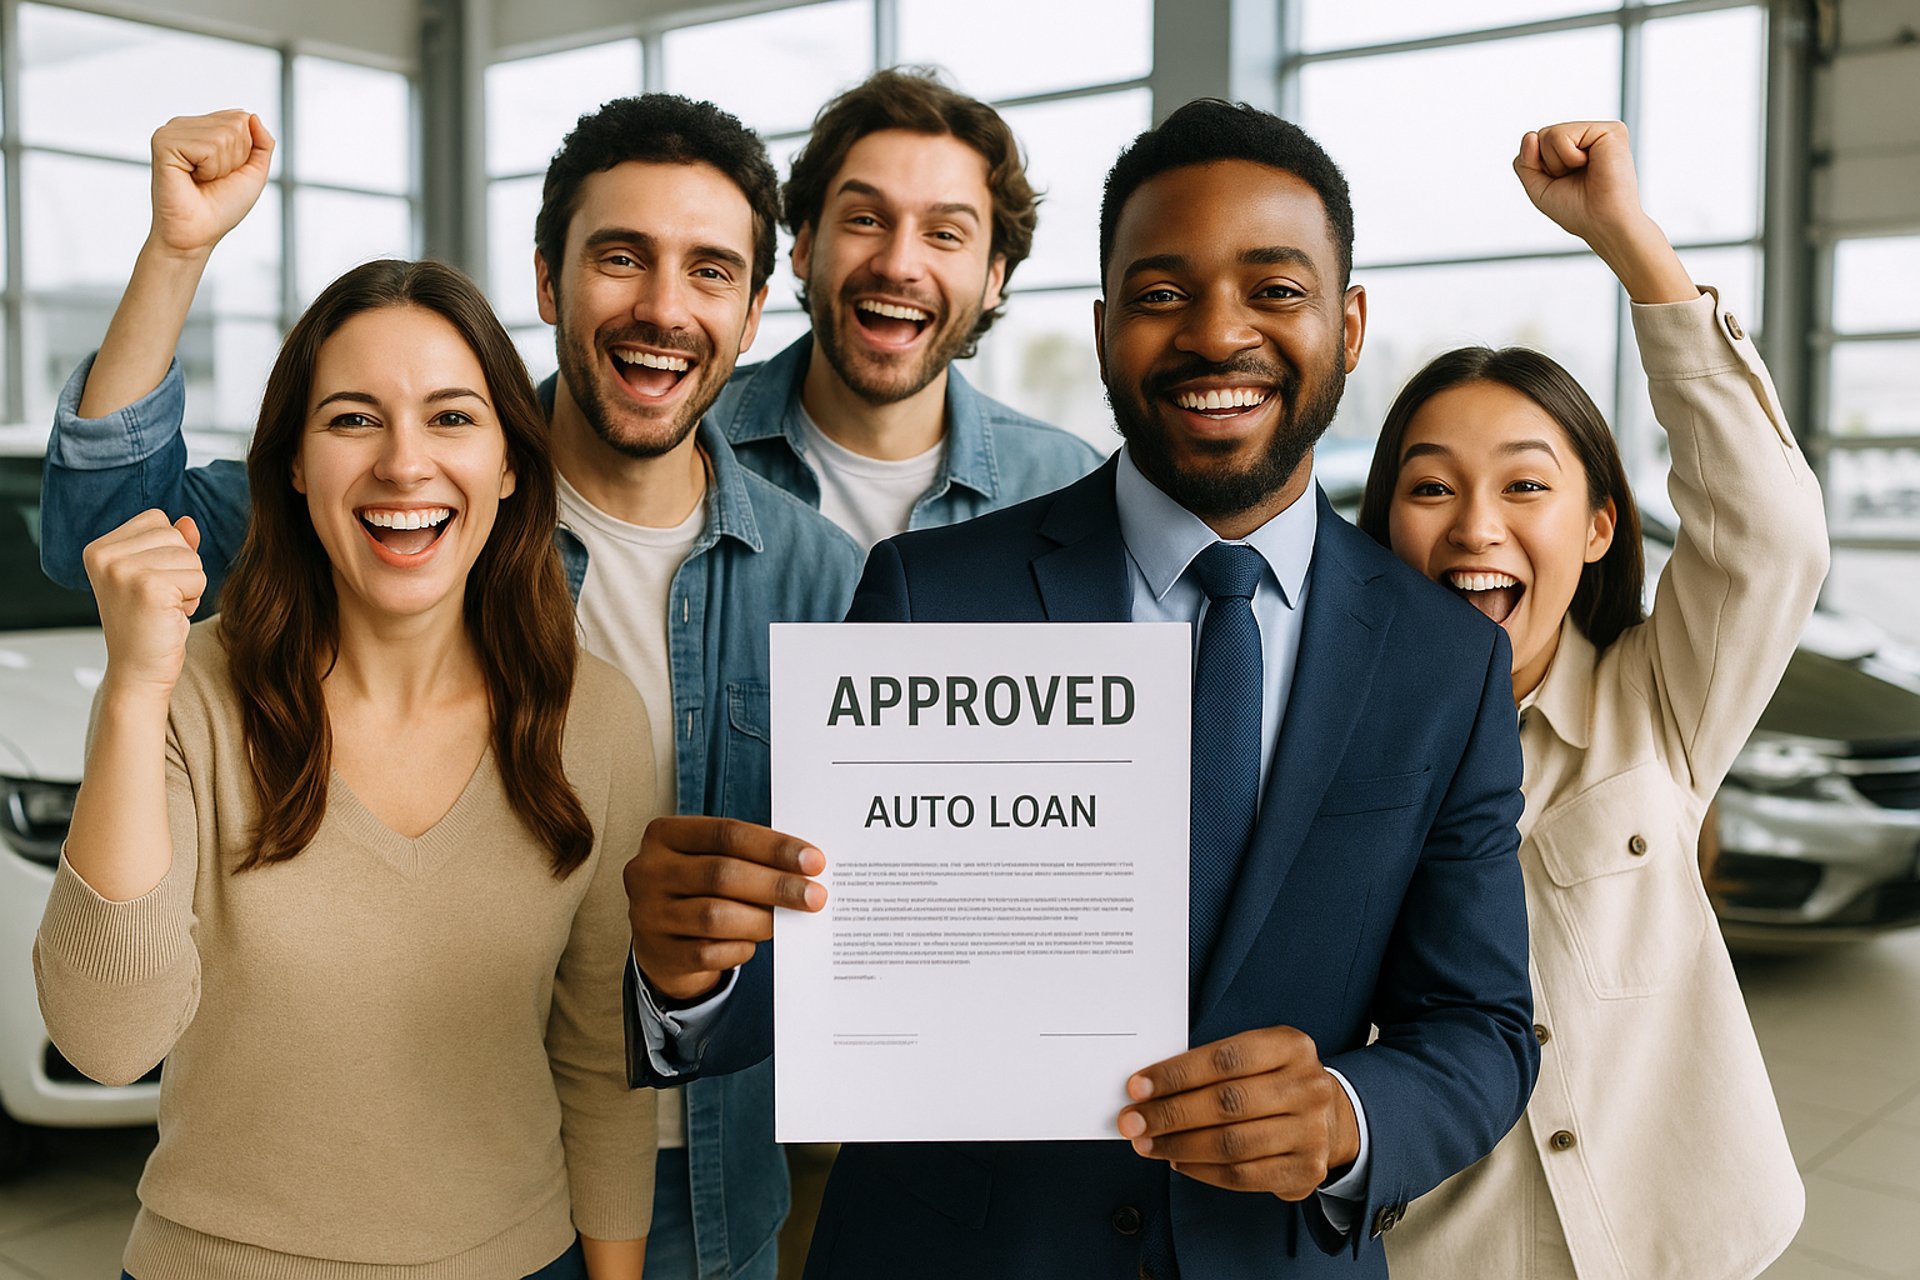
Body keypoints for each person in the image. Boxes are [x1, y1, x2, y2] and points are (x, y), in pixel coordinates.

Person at [622, 99, 1539, 1278]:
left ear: (1348, 323)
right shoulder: (929, 593)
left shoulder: (1443, 659)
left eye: (1274, 289)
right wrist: (689, 972)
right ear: (1106, 331)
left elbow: (1479, 1026)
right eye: (1162, 295)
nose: (1218, 336)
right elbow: (825, 979)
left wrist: (1347, 1116)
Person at [36, 104, 864, 1280]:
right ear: (550, 276)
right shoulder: (277, 604)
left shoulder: (813, 579)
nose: (664, 305)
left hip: (685, 1166)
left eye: (711, 269)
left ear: (749, 306)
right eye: (620, 254)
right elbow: (107, 538)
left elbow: (655, 1005)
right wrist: (175, 252)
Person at [35, 241, 656, 1276]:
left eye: (452, 416)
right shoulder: (188, 688)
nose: (403, 462)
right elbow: (109, 1041)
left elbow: (601, 1052)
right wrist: (134, 691)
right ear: (291, 460)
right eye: (352, 418)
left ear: (509, 462)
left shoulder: (592, 715)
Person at [1361, 120, 1823, 1280]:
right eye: (1431, 487)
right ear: (1381, 532)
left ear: (1599, 524)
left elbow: (1770, 533)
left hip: (1686, 1241)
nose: (1477, 526)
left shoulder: (1656, 707)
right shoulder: (1327, 752)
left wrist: (1627, 238)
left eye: (1527, 482)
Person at [712, 67, 1103, 548]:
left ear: (993, 278)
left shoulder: (1071, 488)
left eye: (944, 234)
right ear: (806, 247)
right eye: (866, 219)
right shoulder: (688, 439)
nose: (898, 266)